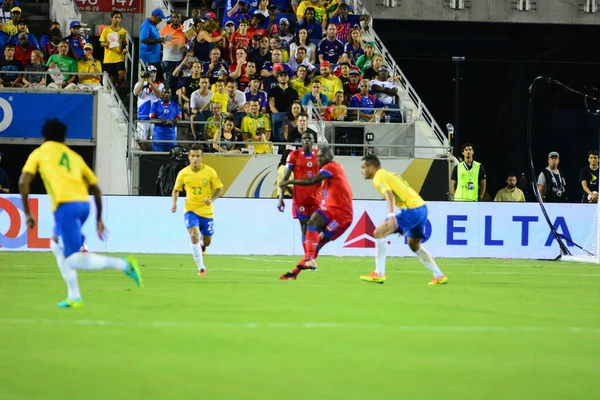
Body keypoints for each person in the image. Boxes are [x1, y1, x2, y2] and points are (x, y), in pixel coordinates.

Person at [18, 118, 142, 308]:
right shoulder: (73, 156)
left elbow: (23, 182)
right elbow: (96, 189)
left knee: (73, 259)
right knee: (55, 244)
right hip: (84, 205)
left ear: (44, 137)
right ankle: (74, 296)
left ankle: (124, 265)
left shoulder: (40, 152)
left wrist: (27, 213)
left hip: (65, 207)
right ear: (64, 138)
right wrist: (99, 218)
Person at [358, 154, 447, 285]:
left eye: (363, 167)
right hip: (421, 208)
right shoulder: (387, 174)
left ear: (372, 167)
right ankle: (439, 275)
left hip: (412, 210)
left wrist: (391, 215)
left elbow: (389, 194)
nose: (362, 171)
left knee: (378, 233)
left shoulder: (378, 177)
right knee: (414, 245)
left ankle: (379, 273)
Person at [278, 146, 354, 280]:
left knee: (315, 232)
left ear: (329, 157)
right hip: (332, 210)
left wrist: (289, 181)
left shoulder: (331, 167)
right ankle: (295, 272)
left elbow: (311, 181)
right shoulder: (330, 175)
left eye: (320, 157)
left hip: (342, 216)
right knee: (315, 242)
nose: (317, 159)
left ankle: (308, 258)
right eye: (317, 157)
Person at [171, 143, 224, 275]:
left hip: (206, 211)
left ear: (202, 157)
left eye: (198, 156)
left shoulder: (210, 172)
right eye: (193, 156)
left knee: (207, 241)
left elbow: (219, 188)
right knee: (194, 235)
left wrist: (211, 200)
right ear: (189, 157)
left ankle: (202, 247)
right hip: (190, 210)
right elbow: (176, 190)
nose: (195, 159)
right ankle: (201, 267)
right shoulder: (183, 174)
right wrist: (174, 203)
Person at [277, 131, 320, 251]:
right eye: (304, 139)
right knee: (304, 227)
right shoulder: (293, 155)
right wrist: (281, 198)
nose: (306, 141)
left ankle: (311, 253)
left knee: (314, 227)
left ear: (313, 142)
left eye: (309, 139)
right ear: (301, 141)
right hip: (300, 198)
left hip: (316, 198)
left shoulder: (319, 156)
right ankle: (308, 256)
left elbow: (327, 177)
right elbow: (284, 179)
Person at [99, 10, 128, 89]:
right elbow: (101, 43)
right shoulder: (106, 30)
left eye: (119, 17)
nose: (117, 19)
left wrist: (125, 50)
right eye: (115, 17)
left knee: (122, 75)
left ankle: (116, 86)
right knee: (111, 80)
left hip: (119, 57)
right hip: (109, 58)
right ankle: (113, 91)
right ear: (112, 18)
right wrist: (106, 44)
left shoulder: (123, 31)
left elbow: (124, 44)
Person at [149, 87, 182, 152]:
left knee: (171, 157)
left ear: (171, 94)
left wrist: (176, 120)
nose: (166, 95)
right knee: (158, 157)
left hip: (171, 135)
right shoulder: (155, 105)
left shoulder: (175, 105)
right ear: (161, 94)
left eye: (168, 93)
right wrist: (160, 121)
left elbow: (180, 119)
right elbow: (151, 119)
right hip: (159, 134)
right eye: (164, 93)